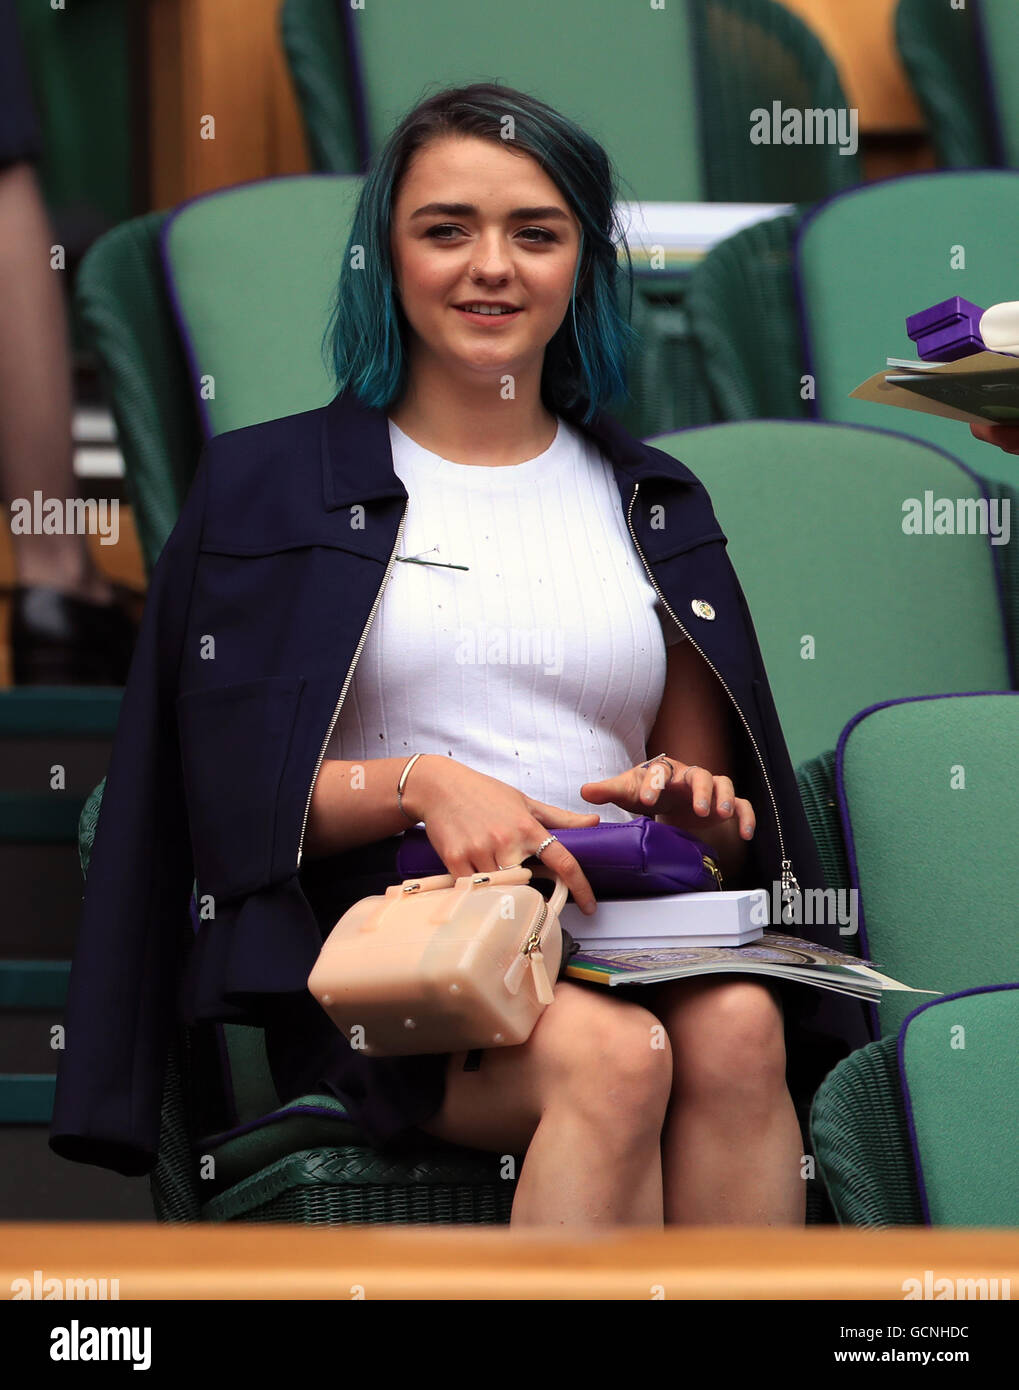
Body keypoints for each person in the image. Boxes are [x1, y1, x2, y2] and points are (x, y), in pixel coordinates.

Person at [50, 82, 869, 1226]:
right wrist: (420, 785)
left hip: (619, 936)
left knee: (736, 1027)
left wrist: (692, 806)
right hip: (392, 955)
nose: (492, 265)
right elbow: (222, 797)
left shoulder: (653, 499)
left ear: (581, 264)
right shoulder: (268, 485)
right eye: (447, 230)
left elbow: (702, 811)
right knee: (615, 1056)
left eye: (535, 233)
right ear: (384, 258)